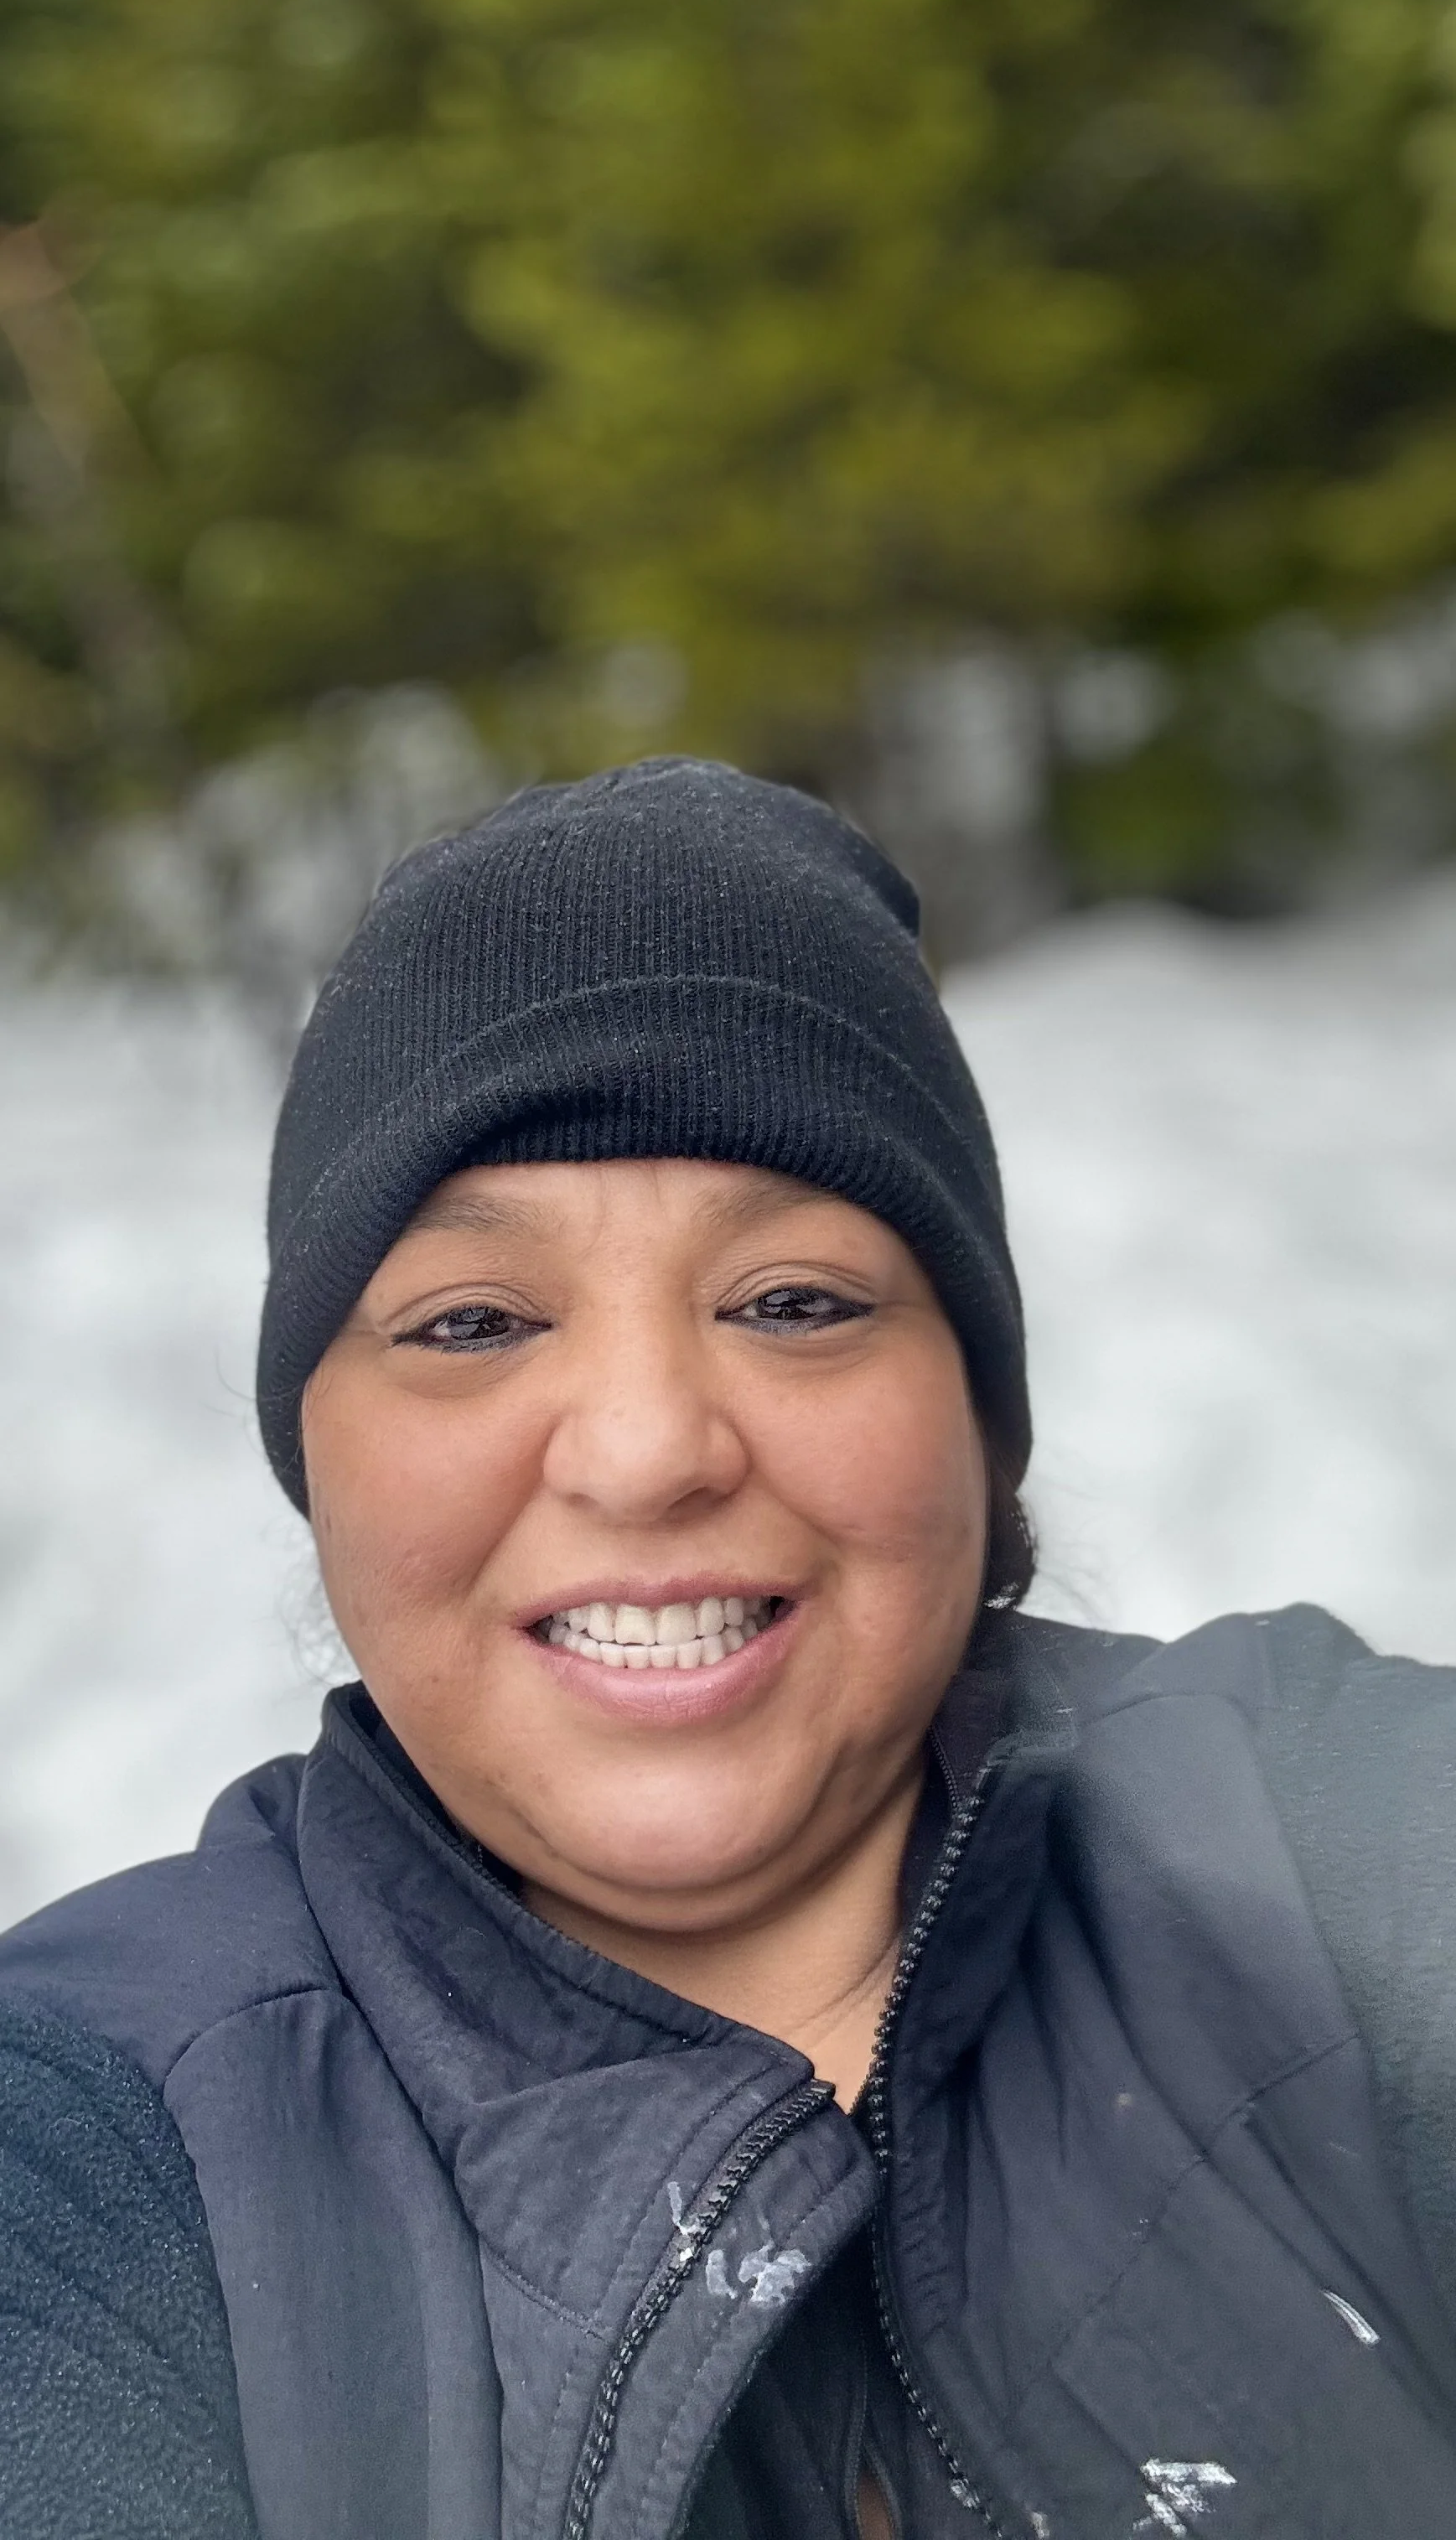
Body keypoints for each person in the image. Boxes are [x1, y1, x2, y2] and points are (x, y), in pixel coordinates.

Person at [0, 756, 1453, 2540]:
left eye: (792, 1301)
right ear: (320, 1465)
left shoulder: (1336, 1850)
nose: (645, 1446)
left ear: (975, 1420)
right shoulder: (89, 2140)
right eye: (472, 1320)